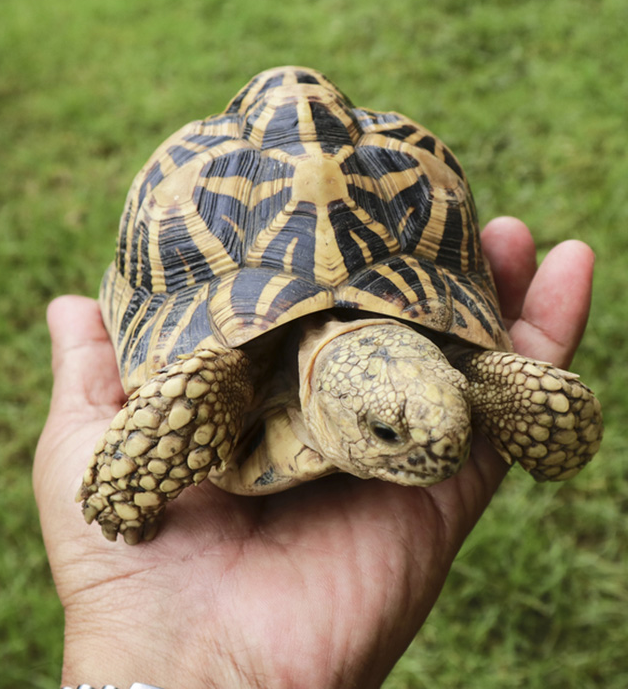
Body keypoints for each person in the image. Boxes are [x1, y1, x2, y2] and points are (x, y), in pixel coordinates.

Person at [34, 216, 597, 688]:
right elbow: (176, 407)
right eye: (385, 433)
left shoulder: (452, 384)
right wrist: (125, 487)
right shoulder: (220, 379)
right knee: (196, 389)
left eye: (457, 397)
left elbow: (504, 389)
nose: (446, 450)